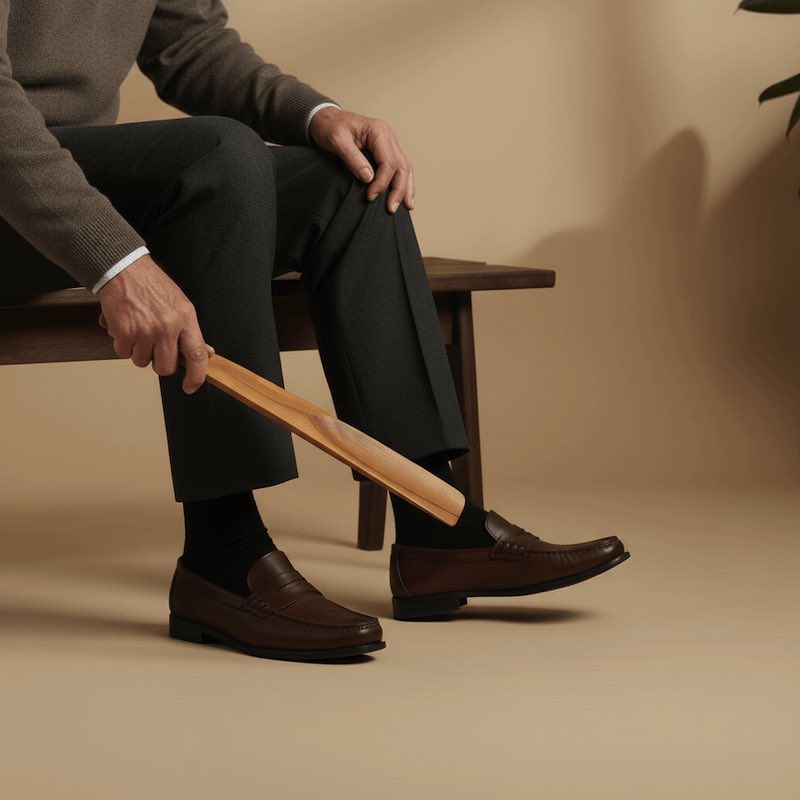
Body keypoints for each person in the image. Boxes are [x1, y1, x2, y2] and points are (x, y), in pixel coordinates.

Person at [1, 0, 629, 662]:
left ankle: (439, 527)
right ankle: (224, 557)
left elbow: (191, 46)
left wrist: (320, 116)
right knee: (217, 156)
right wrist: (115, 262)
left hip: (65, 172)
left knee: (348, 180)